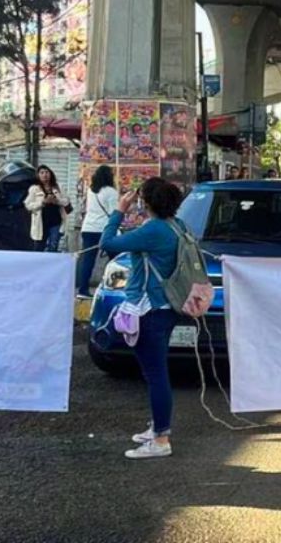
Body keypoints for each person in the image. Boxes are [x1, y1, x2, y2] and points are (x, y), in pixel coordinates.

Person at [100, 178, 187, 460]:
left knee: (155, 375)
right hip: (168, 306)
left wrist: (118, 210)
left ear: (146, 202)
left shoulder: (153, 230)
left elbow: (108, 243)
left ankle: (161, 438)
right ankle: (157, 429)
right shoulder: (177, 226)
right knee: (156, 373)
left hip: (149, 309)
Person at [78, 166, 120, 297]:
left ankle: (82, 290)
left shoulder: (91, 191)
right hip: (104, 229)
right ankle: (114, 286)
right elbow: (114, 213)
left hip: (88, 228)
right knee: (116, 259)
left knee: (88, 261)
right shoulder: (111, 192)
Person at [0, 160, 36, 251]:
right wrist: (11, 256)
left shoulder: (21, 210)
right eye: (13, 186)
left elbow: (27, 242)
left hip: (19, 262)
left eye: (23, 187)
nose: (19, 191)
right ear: (1, 187)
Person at [26, 165, 71, 252]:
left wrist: (57, 201)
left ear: (50, 174)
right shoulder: (34, 189)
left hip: (56, 221)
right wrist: (43, 202)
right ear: (38, 175)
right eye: (42, 173)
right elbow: (28, 205)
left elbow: (67, 201)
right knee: (39, 247)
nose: (45, 175)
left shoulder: (58, 187)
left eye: (47, 172)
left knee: (53, 246)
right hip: (41, 222)